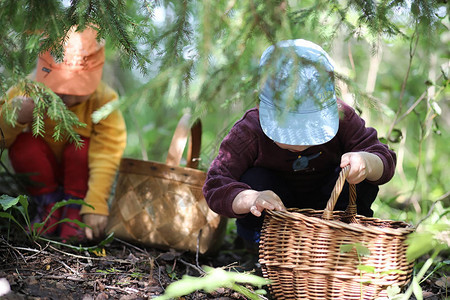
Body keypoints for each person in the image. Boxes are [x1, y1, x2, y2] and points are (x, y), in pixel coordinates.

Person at [203, 39, 396, 249]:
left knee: (360, 176)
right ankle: (264, 251)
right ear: (262, 107)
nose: (300, 142)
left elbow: (383, 158)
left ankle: (342, 243)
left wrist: (367, 162)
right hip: (273, 222)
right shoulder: (249, 131)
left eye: (310, 128)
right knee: (255, 179)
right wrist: (249, 198)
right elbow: (216, 182)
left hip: (330, 215)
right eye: (289, 130)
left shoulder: (343, 119)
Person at [0, 26, 127, 241]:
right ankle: (48, 207)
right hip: (42, 175)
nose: (66, 96)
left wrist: (95, 202)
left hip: (79, 180)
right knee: (23, 145)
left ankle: (74, 210)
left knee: (81, 148)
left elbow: (107, 151)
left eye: (77, 89)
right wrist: (12, 116)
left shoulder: (103, 99)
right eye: (58, 87)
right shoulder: (28, 89)